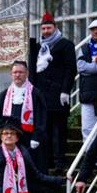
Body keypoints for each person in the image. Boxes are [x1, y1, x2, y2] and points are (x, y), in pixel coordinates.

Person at [32, 12, 77, 172]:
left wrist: (65, 90)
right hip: (42, 95)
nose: (46, 31)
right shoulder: (38, 47)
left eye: (48, 28)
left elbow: (70, 69)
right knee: (44, 129)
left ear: (55, 28)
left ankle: (60, 162)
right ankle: (48, 161)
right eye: (43, 28)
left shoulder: (66, 45)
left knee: (59, 130)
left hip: (58, 95)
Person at [0, 61, 47, 163]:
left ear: (27, 73)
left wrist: (36, 137)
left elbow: (41, 118)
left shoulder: (35, 94)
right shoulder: (4, 95)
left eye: (21, 72)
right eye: (15, 72)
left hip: (29, 140)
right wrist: (0, 135)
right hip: (9, 140)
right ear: (11, 74)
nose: (17, 75)